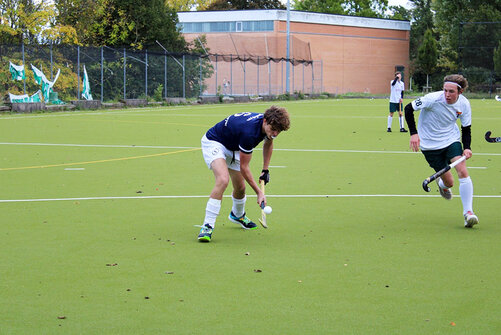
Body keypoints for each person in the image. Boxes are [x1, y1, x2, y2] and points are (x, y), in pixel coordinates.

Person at [198, 106, 291, 242]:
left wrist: (265, 170)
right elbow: (244, 167)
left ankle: (237, 215)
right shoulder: (249, 133)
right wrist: (259, 192)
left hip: (234, 146)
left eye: (278, 131)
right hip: (215, 142)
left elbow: (269, 142)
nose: (275, 134)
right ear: (265, 121)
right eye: (273, 130)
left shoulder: (269, 124)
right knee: (223, 180)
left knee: (240, 188)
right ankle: (207, 225)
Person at [404, 74, 478, 228]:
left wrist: (467, 147)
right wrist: (413, 133)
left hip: (451, 140)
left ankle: (468, 213)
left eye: (451, 92)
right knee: (449, 183)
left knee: (463, 171)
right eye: (445, 90)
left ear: (460, 92)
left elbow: (466, 128)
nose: (447, 95)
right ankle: (442, 185)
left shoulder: (464, 104)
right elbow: (408, 108)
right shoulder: (432, 98)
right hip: (429, 145)